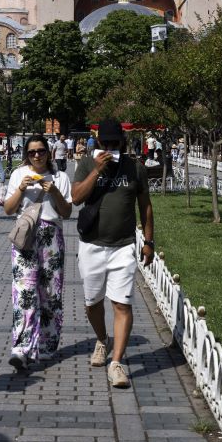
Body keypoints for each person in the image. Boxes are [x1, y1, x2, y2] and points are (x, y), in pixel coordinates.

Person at [71, 118, 154, 389]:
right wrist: (97, 171)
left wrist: (148, 242)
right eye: (105, 143)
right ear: (98, 142)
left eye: (115, 143)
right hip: (92, 244)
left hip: (123, 245)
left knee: (122, 304)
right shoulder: (86, 163)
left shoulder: (135, 168)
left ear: (123, 142)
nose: (110, 147)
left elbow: (146, 206)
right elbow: (76, 198)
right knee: (92, 302)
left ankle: (116, 363)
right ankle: (102, 340)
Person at [2, 134, 73, 370]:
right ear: (26, 155)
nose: (36, 156)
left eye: (41, 151)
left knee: (50, 294)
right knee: (25, 293)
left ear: (49, 152)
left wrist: (54, 192)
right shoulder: (17, 175)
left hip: (51, 239)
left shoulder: (60, 177)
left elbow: (66, 212)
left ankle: (46, 345)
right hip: (26, 238)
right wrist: (21, 189)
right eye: (31, 152)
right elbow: (8, 210)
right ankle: (21, 349)